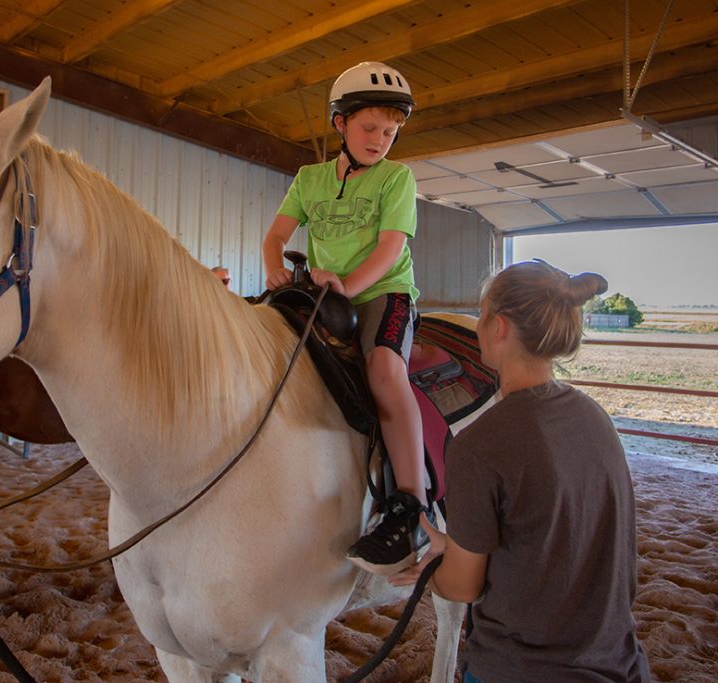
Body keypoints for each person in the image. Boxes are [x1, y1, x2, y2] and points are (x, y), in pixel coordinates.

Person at [391, 260, 652, 683]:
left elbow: (463, 588)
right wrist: (456, 544)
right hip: (617, 664)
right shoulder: (595, 418)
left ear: (499, 327)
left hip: (520, 670)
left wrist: (438, 573)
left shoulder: (479, 446)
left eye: (482, 313)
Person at [262, 61, 426, 572]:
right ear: (341, 125)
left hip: (381, 291)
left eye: (390, 132)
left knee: (382, 369)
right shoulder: (309, 180)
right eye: (370, 129)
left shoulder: (396, 178)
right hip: (321, 293)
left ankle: (409, 505)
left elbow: (389, 247)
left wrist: (347, 286)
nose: (381, 140)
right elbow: (275, 236)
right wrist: (274, 270)